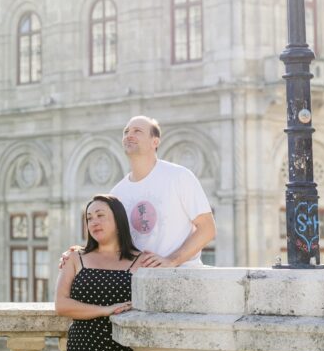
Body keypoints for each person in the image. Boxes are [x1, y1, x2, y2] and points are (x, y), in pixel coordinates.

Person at [64, 115, 216, 268]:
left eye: (137, 131)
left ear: (154, 142)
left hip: (180, 278)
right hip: (135, 281)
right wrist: (78, 253)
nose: (129, 135)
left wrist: (172, 260)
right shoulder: (117, 192)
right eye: (126, 132)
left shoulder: (179, 177)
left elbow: (207, 229)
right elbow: (110, 243)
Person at [55, 194, 143, 351]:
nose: (94, 222)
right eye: (89, 217)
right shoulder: (76, 258)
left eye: (101, 215)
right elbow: (61, 305)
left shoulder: (141, 261)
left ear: (118, 220)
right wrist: (105, 310)